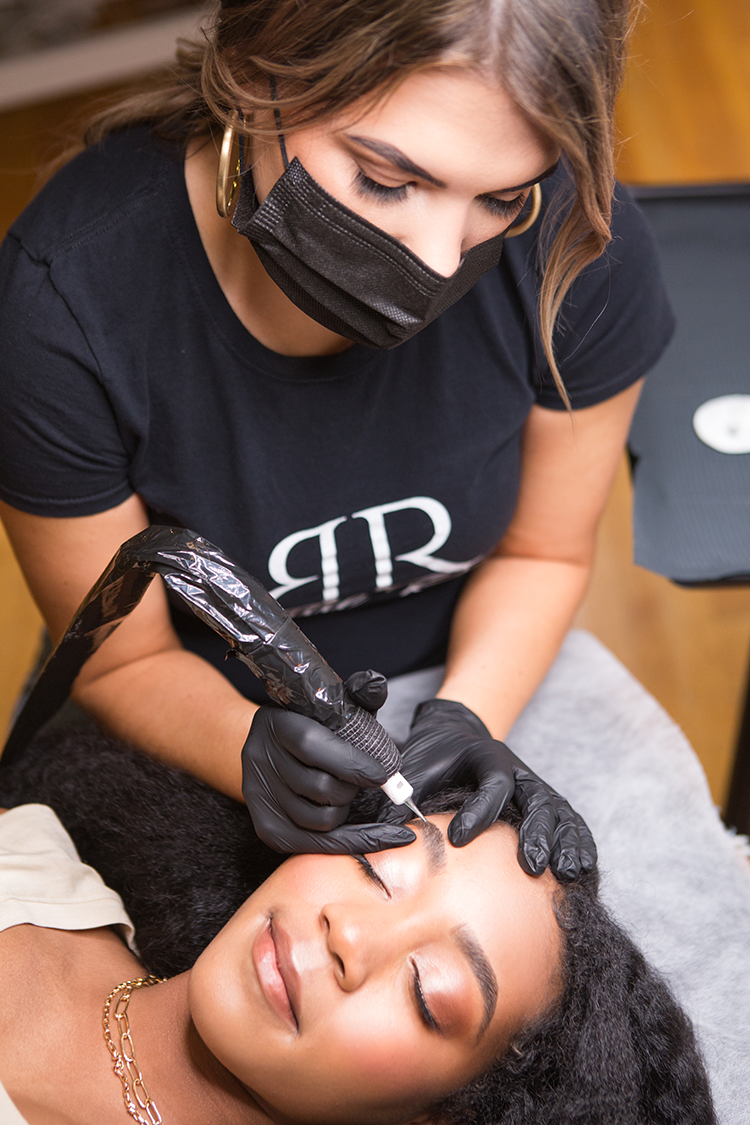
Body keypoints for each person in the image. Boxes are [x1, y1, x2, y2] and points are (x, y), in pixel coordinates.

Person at [0, 0, 673, 866]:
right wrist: (250, 753)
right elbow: (120, 663)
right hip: (192, 702)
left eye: (501, 198)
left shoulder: (576, 250)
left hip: (478, 662)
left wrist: (469, 715)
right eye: (387, 180)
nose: (438, 259)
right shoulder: (63, 310)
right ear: (258, 76)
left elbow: (543, 553)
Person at [0, 729, 716, 1125]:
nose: (349, 935)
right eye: (380, 870)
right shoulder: (33, 851)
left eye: (426, 991)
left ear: (440, 1117)